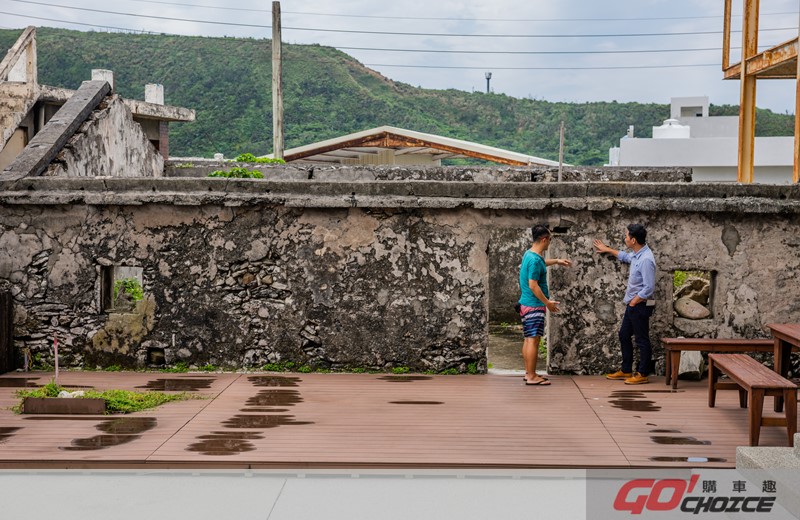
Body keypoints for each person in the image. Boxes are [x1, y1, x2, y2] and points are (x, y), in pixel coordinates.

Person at [593, 223, 656, 385]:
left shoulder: (646, 259)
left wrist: (635, 301)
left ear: (633, 240)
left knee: (642, 339)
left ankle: (642, 373)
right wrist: (608, 249)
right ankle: (626, 370)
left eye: (627, 236)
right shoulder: (637, 254)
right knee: (624, 335)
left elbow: (648, 288)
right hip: (632, 305)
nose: (625, 238)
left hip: (639, 305)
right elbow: (626, 257)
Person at [518, 224, 572, 386]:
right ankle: (532, 376)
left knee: (529, 340)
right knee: (533, 341)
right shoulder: (535, 259)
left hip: (526, 304)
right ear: (543, 239)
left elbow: (541, 264)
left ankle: (529, 373)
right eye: (549, 239)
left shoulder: (530, 254)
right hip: (534, 305)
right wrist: (547, 302)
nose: (550, 242)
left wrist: (556, 261)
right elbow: (533, 284)